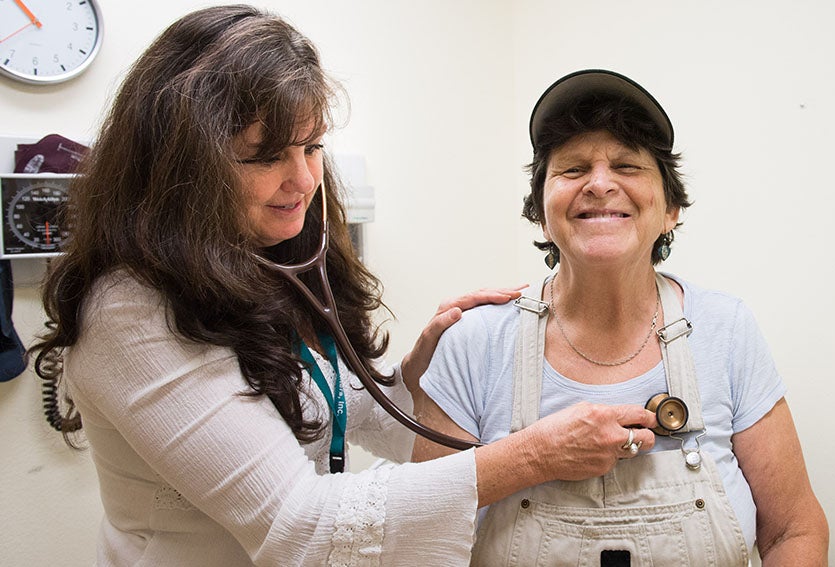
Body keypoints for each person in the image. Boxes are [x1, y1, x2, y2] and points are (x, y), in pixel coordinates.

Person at [29, 8, 659, 566]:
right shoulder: (130, 310)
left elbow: (334, 413)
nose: (303, 180)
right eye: (265, 155)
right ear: (180, 165)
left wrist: (413, 374)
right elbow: (297, 526)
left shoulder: (272, 264)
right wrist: (534, 456)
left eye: (312, 147)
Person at [413, 69, 829, 566]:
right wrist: (532, 458)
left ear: (670, 209)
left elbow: (793, 531)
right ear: (542, 213)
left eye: (628, 165)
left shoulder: (727, 329)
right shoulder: (474, 341)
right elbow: (421, 533)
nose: (600, 184)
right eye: (572, 169)